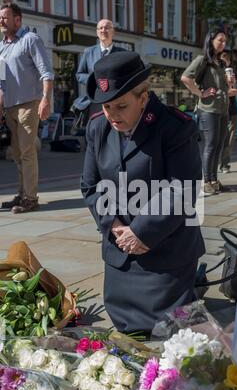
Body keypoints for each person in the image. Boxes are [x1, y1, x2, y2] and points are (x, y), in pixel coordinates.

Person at [81, 51, 205, 334]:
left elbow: (182, 187)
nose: (112, 115)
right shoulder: (97, 127)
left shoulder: (174, 128)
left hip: (166, 251)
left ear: (144, 97)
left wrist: (142, 232)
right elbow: (90, 186)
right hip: (120, 248)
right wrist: (114, 225)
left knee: (170, 330)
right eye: (108, 107)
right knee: (125, 330)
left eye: (121, 106)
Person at [0, 3, 53, 213]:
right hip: (10, 107)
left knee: (28, 152)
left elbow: (46, 72)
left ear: (18, 20)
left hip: (29, 105)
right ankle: (22, 194)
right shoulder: (2, 46)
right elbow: (1, 82)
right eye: (0, 18)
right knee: (17, 153)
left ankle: (30, 198)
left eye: (5, 17)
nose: (1, 21)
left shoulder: (30, 40)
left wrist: (45, 100)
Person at [181, 28, 232, 195]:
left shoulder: (221, 62)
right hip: (208, 109)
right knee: (210, 145)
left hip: (222, 109)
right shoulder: (202, 59)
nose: (223, 44)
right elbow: (185, 77)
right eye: (220, 40)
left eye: (225, 41)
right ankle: (206, 182)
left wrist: (229, 85)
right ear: (211, 40)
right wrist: (200, 93)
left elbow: (221, 86)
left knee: (219, 145)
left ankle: (214, 180)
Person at [75, 19, 126, 117]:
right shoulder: (88, 52)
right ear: (97, 32)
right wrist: (94, 80)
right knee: (96, 129)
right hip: (94, 100)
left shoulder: (121, 53)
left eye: (107, 28)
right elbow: (79, 74)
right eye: (100, 28)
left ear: (113, 32)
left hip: (115, 101)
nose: (103, 30)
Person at [219, 51, 237, 173]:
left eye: (226, 59)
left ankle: (225, 164)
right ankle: (210, 168)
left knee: (230, 139)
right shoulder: (214, 72)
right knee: (217, 139)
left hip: (232, 109)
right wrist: (226, 92)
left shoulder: (232, 72)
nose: (224, 61)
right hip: (218, 109)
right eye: (222, 58)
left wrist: (233, 84)